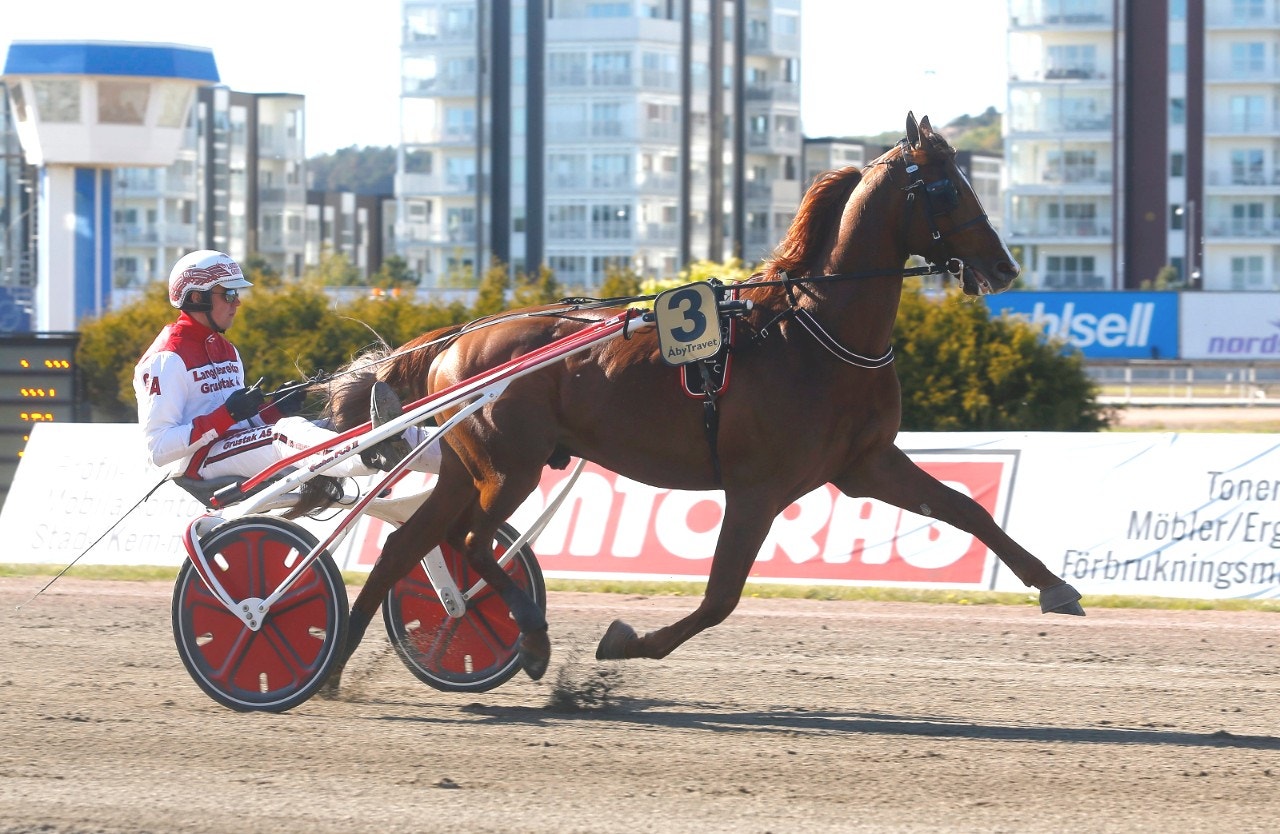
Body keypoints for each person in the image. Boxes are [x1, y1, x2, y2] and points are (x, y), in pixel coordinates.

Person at [134, 250, 439, 493]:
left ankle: (452, 452)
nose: (237, 302)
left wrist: (271, 409)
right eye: (228, 294)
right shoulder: (166, 359)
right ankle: (368, 454)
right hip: (198, 464)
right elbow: (158, 449)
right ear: (196, 298)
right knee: (285, 433)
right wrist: (229, 413)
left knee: (338, 423)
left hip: (228, 449)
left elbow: (239, 426)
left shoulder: (227, 350)